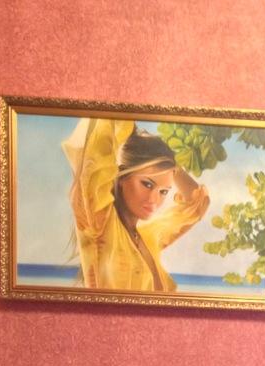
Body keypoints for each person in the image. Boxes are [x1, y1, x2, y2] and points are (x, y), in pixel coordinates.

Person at [62, 118, 209, 291]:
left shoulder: (149, 236)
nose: (154, 200)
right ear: (122, 177)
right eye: (147, 184)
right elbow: (93, 155)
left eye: (163, 192)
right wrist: (127, 120)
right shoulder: (101, 226)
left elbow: (197, 204)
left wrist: (169, 160)